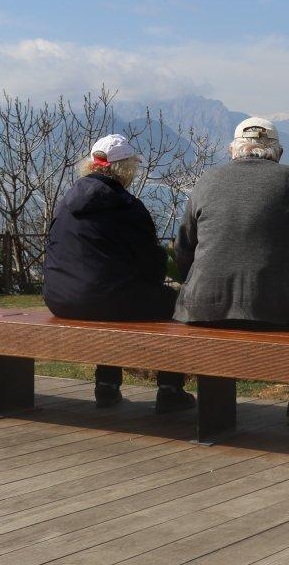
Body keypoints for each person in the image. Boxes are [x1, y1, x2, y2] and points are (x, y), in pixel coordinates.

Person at [174, 117, 289, 425]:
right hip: (279, 308)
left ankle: (201, 404)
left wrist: (193, 282)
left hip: (203, 307)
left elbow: (184, 246)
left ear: (232, 150)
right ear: (278, 152)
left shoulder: (207, 180)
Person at [43, 133, 196, 414]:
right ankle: (170, 389)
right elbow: (152, 264)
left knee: (109, 297)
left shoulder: (66, 202)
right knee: (174, 304)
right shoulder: (127, 206)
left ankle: (107, 386)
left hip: (59, 298)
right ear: (125, 168)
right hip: (104, 299)